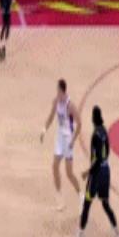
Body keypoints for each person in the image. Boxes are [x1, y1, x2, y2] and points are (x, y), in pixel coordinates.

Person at [68, 106, 119, 237]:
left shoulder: (95, 135)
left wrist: (87, 172)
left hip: (96, 175)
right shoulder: (104, 132)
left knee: (86, 205)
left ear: (93, 119)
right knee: (105, 204)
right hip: (106, 171)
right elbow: (107, 152)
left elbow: (97, 159)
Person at [40, 79, 83, 211]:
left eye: (58, 90)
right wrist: (44, 129)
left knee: (69, 173)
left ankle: (81, 196)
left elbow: (79, 123)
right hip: (59, 138)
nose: (56, 92)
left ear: (62, 91)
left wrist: (73, 140)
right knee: (54, 166)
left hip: (68, 139)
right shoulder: (56, 101)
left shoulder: (70, 105)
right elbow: (51, 116)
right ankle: (60, 199)